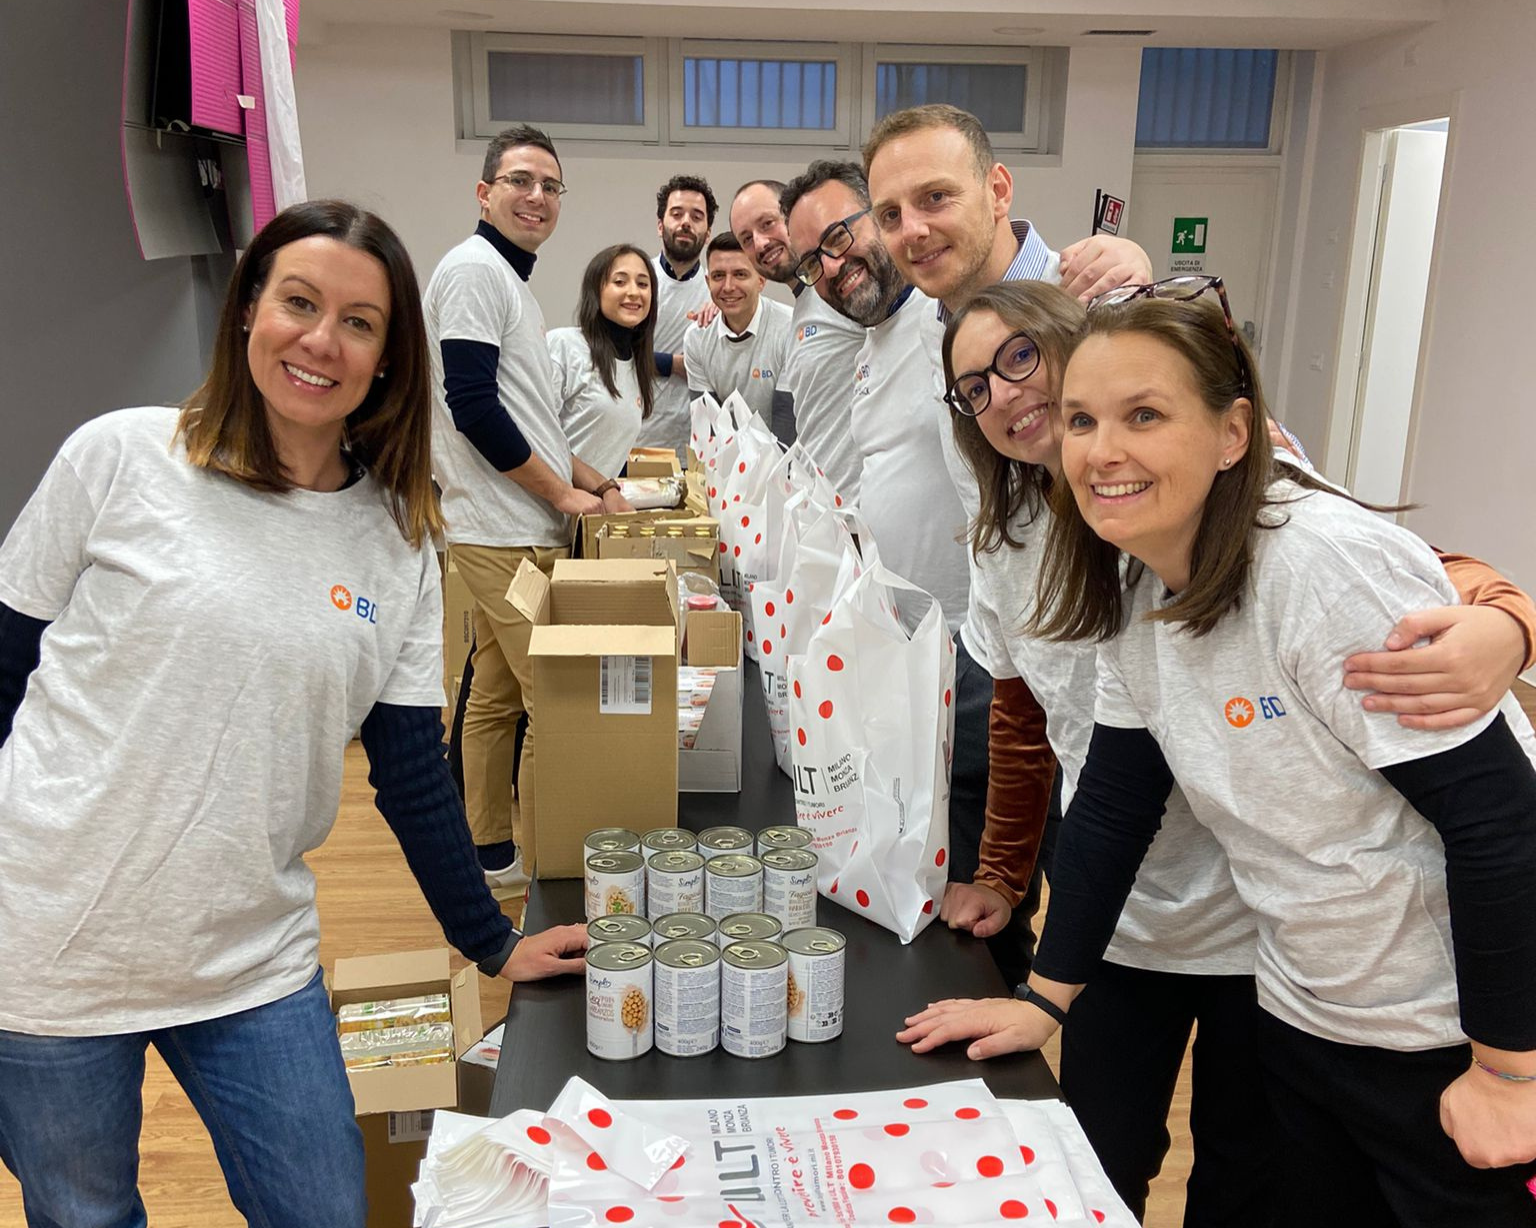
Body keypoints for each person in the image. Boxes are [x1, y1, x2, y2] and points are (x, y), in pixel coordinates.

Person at [0, 200, 588, 1228]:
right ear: (246, 314)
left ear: (388, 360)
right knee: (82, 1218)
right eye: (300, 303)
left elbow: (409, 767)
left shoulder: (397, 539)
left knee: (323, 1204)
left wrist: (490, 943)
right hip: (52, 947)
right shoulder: (120, 457)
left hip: (249, 958)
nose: (322, 340)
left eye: (359, 322)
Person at [901, 278, 1536, 1223]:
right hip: (1307, 1008)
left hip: (1440, 1026)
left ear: (1234, 433)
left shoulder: (1309, 560)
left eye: (1143, 415)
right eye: (1083, 421)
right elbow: (1115, 802)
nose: (1103, 449)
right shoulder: (1132, 577)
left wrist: (1509, 1068)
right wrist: (1043, 1000)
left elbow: (1498, 818)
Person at [426, 124, 631, 897]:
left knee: (497, 697)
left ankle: (489, 855)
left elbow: (534, 418)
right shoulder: (475, 271)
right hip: (500, 532)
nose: (536, 196)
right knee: (557, 706)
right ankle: (553, 879)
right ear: (485, 192)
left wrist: (595, 482)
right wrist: (559, 493)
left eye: (550, 185)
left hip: (515, 527)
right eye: (520, 181)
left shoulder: (511, 283)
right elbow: (473, 406)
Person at [729, 177, 867, 482]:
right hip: (821, 508)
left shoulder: (843, 290)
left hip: (858, 513)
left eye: (767, 223)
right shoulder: (804, 309)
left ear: (792, 216)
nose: (760, 243)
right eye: (746, 239)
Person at [546, 243, 659, 479]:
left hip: (588, 512)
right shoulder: (564, 346)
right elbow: (536, 436)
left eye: (643, 284)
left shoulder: (636, 365)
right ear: (596, 290)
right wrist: (598, 487)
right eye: (620, 281)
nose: (633, 292)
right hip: (541, 504)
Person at [638, 174, 716, 455]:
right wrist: (673, 364)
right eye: (677, 213)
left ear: (707, 234)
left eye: (697, 217)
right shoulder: (634, 279)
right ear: (661, 225)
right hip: (633, 440)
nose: (686, 222)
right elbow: (608, 353)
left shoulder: (718, 292)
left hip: (694, 446)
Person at [683, 232, 791, 427]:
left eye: (740, 274)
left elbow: (786, 423)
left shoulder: (789, 329)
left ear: (761, 280)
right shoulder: (696, 338)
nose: (728, 286)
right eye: (718, 276)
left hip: (784, 453)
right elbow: (708, 427)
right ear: (708, 282)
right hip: (726, 456)